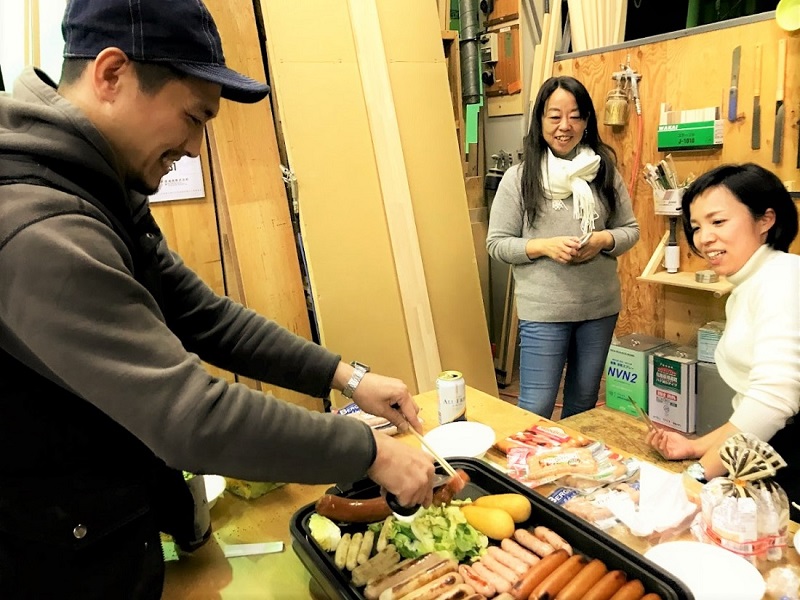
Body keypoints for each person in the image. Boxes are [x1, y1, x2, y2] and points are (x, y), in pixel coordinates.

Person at [0, 0, 436, 597]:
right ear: (110, 74)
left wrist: (348, 377)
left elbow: (204, 317)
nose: (197, 147)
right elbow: (191, 416)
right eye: (193, 117)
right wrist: (370, 454)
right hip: (51, 560)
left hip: (97, 528)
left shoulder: (96, 189)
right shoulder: (41, 227)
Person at [645, 163, 800, 518]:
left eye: (718, 222)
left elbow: (771, 404)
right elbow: (750, 411)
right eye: (697, 227)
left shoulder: (782, 278)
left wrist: (697, 477)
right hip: (768, 451)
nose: (703, 238)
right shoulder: (752, 282)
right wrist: (696, 447)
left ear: (765, 220)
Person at [486, 76, 639, 419]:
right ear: (540, 121)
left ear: (587, 122)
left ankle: (571, 471)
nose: (564, 126)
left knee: (582, 407)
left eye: (575, 116)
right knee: (535, 409)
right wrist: (544, 247)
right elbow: (497, 244)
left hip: (598, 309)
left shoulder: (603, 173)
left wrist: (603, 239)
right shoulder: (519, 178)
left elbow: (629, 230)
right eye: (554, 116)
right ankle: (526, 473)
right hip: (544, 312)